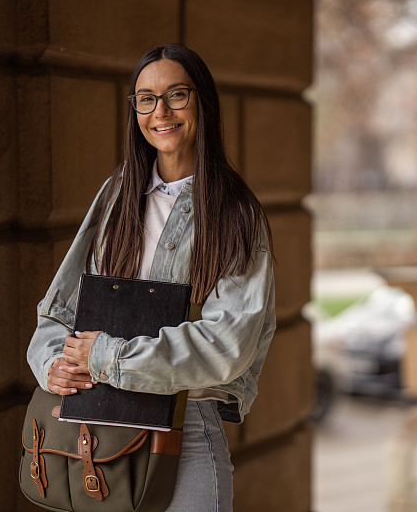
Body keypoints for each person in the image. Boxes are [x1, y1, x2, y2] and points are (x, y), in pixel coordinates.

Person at [26, 44, 276, 511]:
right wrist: (51, 363)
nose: (160, 111)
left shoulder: (235, 213)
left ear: (202, 101)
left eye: (176, 95)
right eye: (145, 98)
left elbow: (229, 344)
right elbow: (60, 309)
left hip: (186, 430)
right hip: (98, 432)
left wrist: (108, 355)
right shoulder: (118, 194)